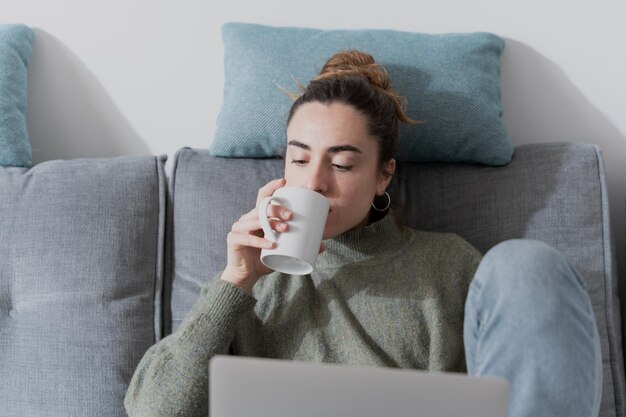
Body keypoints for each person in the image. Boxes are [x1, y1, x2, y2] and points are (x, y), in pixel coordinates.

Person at [124, 50, 602, 417]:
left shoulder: (450, 266)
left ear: (382, 176)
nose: (314, 182)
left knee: (526, 265)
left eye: (342, 163)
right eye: (299, 158)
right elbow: (152, 410)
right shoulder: (249, 284)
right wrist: (235, 282)